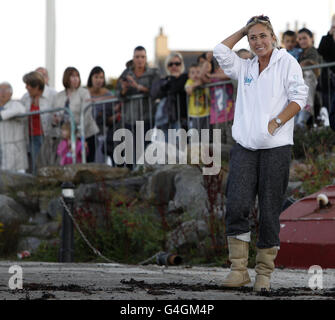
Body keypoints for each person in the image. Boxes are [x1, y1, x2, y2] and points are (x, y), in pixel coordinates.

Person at [213, 15, 308, 292]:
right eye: (252, 37)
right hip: (245, 147)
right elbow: (219, 51)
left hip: (276, 148)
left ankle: (263, 273)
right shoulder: (245, 67)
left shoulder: (286, 62)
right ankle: (238, 269)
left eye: (262, 36)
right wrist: (243, 29)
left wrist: (277, 121)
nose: (258, 42)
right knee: (237, 204)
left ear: (273, 37)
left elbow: (299, 97)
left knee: (269, 209)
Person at [117, 46, 160, 167]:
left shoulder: (153, 73)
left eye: (142, 57)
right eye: (137, 57)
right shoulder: (126, 73)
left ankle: (144, 177)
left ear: (146, 58)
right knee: (129, 153)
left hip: (146, 117)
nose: (140, 60)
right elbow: (118, 94)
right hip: (129, 118)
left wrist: (138, 86)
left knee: (144, 150)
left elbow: (156, 92)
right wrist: (124, 89)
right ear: (133, 58)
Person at [54, 67, 99, 163]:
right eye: (72, 76)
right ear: (66, 78)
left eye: (77, 76)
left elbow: (86, 114)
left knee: (87, 163)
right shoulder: (59, 96)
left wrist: (77, 136)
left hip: (86, 135)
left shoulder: (84, 92)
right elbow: (56, 114)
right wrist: (56, 120)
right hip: (67, 137)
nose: (76, 79)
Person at [151, 52, 188, 142]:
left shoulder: (185, 77)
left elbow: (176, 87)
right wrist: (171, 80)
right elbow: (154, 93)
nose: (174, 66)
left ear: (181, 64)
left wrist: (172, 81)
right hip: (166, 121)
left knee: (181, 151)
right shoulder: (164, 80)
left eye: (177, 63)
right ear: (167, 66)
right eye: (170, 64)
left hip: (183, 121)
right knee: (167, 151)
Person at [21, 71, 53, 174]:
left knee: (46, 162)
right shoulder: (25, 97)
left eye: (28, 84)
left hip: (47, 135)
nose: (26, 87)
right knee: (34, 164)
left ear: (36, 86)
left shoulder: (52, 95)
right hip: (30, 135)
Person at [87, 66, 116, 163]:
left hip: (102, 133)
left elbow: (112, 112)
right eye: (96, 77)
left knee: (100, 162)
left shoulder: (108, 95)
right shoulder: (85, 93)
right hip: (87, 134)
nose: (99, 80)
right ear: (91, 78)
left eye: (101, 77)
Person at [0, 82, 28, 173]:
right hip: (2, 146)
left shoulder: (16, 105)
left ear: (11, 93)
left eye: (5, 90)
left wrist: (2, 115)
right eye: (0, 90)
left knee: (18, 173)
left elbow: (20, 111)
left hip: (15, 147)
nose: (2, 93)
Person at [185, 63, 211, 132]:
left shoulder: (204, 81)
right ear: (189, 75)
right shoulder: (189, 82)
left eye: (198, 72)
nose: (196, 75)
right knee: (195, 136)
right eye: (193, 73)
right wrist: (195, 85)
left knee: (205, 136)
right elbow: (188, 91)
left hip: (206, 113)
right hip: (194, 115)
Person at [318, 14, 335, 111]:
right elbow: (320, 51)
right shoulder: (326, 38)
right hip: (328, 77)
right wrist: (330, 35)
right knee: (329, 101)